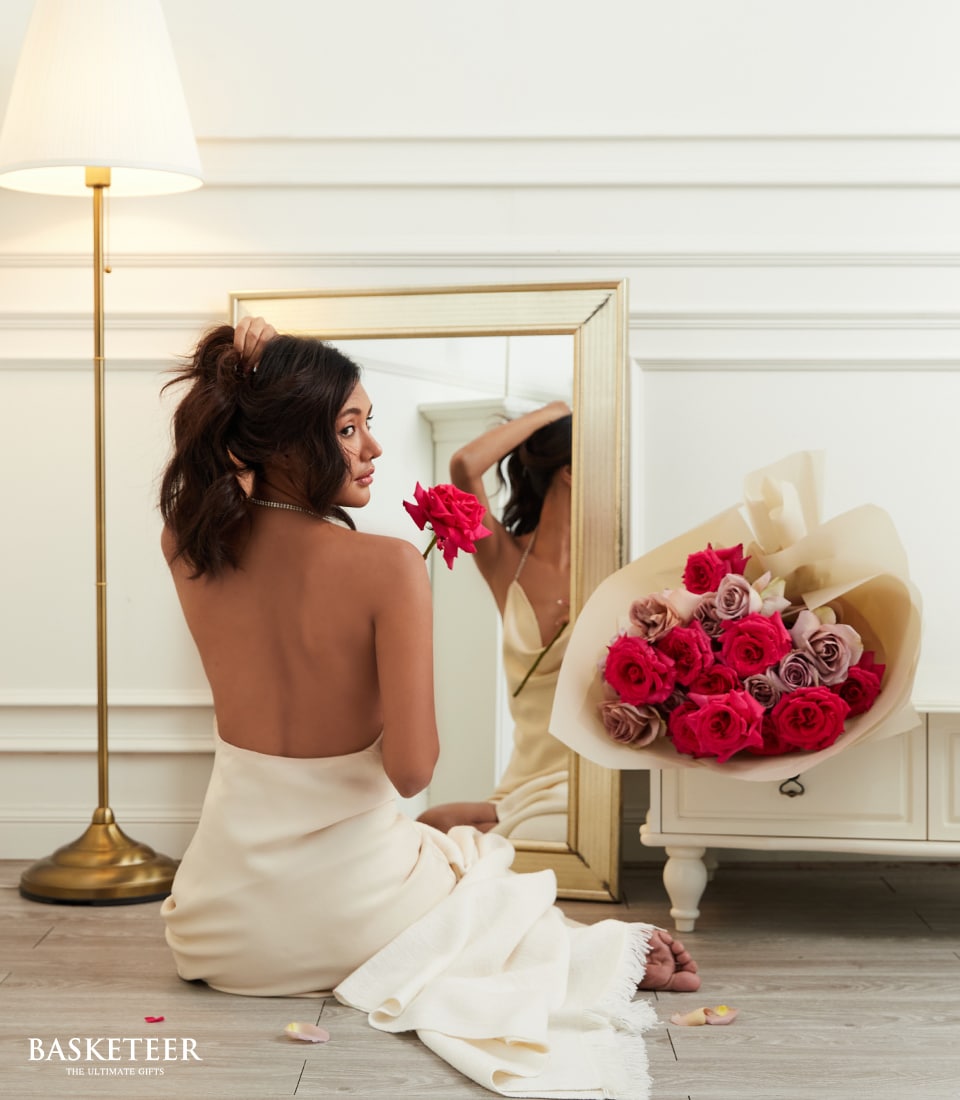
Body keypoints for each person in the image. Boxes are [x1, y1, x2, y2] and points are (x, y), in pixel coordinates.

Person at [158, 318, 699, 1096]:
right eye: (348, 427)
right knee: (487, 874)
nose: (373, 447)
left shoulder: (188, 544)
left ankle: (583, 942)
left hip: (219, 928)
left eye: (368, 423)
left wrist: (263, 382)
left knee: (466, 859)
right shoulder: (386, 566)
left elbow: (230, 475)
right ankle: (604, 953)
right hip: (354, 920)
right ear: (284, 441)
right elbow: (413, 772)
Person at [417, 403, 574, 838]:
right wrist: (559, 410)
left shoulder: (610, 565)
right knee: (430, 825)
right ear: (571, 471)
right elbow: (465, 465)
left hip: (583, 783)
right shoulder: (505, 559)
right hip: (521, 784)